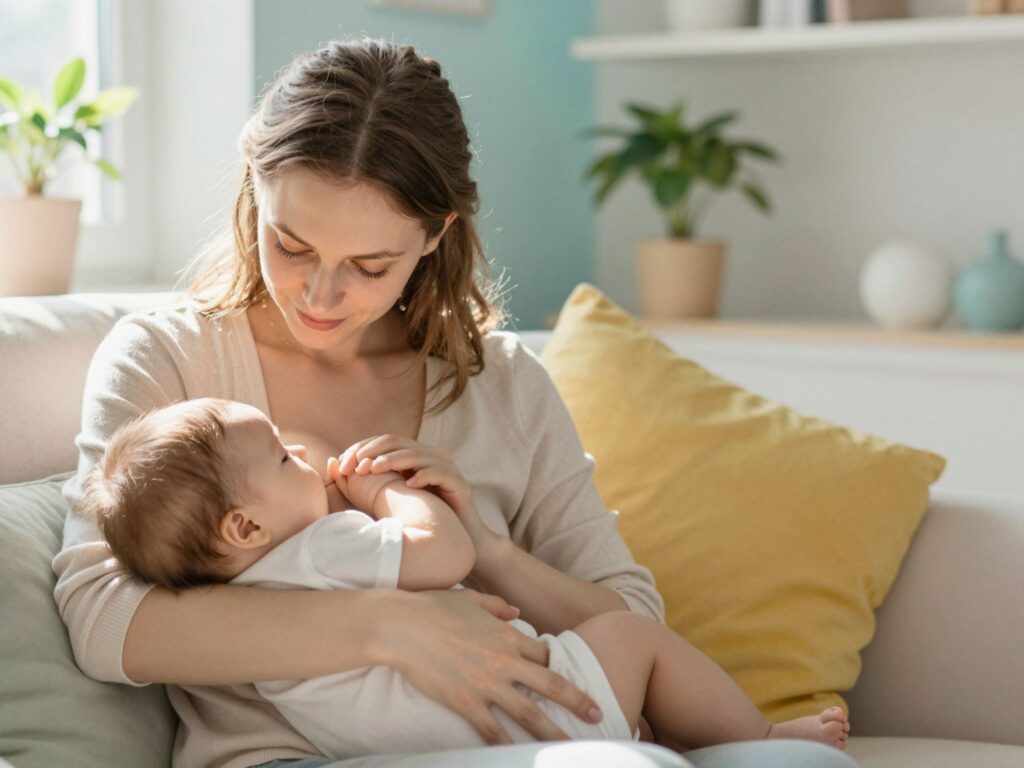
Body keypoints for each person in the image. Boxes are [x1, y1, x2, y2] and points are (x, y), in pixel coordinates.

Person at [53, 36, 859, 768]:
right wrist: (390, 628)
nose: (320, 294)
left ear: (436, 235)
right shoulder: (173, 359)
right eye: (290, 245)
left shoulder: (499, 381)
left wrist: (488, 547)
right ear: (255, 191)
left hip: (517, 737)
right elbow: (102, 617)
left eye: (369, 266)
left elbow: (629, 611)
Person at [82, 397, 851, 760]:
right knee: (633, 639)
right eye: (284, 458)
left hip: (433, 743)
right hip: (520, 714)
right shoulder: (322, 547)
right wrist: (389, 487)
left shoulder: (244, 596)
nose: (304, 453)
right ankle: (758, 732)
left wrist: (497, 548)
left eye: (368, 262)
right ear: (245, 527)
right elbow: (440, 554)